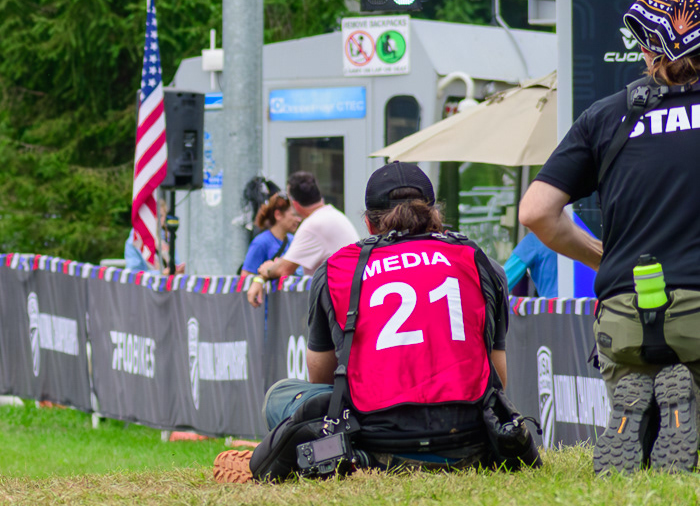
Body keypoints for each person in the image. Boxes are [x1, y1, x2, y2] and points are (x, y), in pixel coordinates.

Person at [221, 162, 516, 481]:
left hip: (373, 441)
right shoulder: (481, 263)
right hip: (470, 440)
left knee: (279, 396)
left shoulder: (336, 270)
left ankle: (332, 456)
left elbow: (323, 380)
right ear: (434, 215)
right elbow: (497, 377)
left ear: (368, 223)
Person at [519, 0, 700, 475]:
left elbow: (536, 211)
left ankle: (640, 413)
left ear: (647, 46)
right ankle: (682, 411)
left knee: (640, 381)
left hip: (625, 311)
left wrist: (604, 258)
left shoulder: (606, 116)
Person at [248, 171, 359, 308]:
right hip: (350, 299)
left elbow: (284, 269)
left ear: (295, 204)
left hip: (342, 302)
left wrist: (265, 273)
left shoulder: (312, 225)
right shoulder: (334, 215)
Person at [241, 192, 299, 279]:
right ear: (278, 215)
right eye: (294, 215)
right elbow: (246, 277)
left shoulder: (293, 240)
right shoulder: (261, 242)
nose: (298, 219)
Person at [503, 228, 557, 299]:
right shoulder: (568, 235)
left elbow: (498, 284)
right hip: (571, 302)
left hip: (553, 304)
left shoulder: (534, 240)